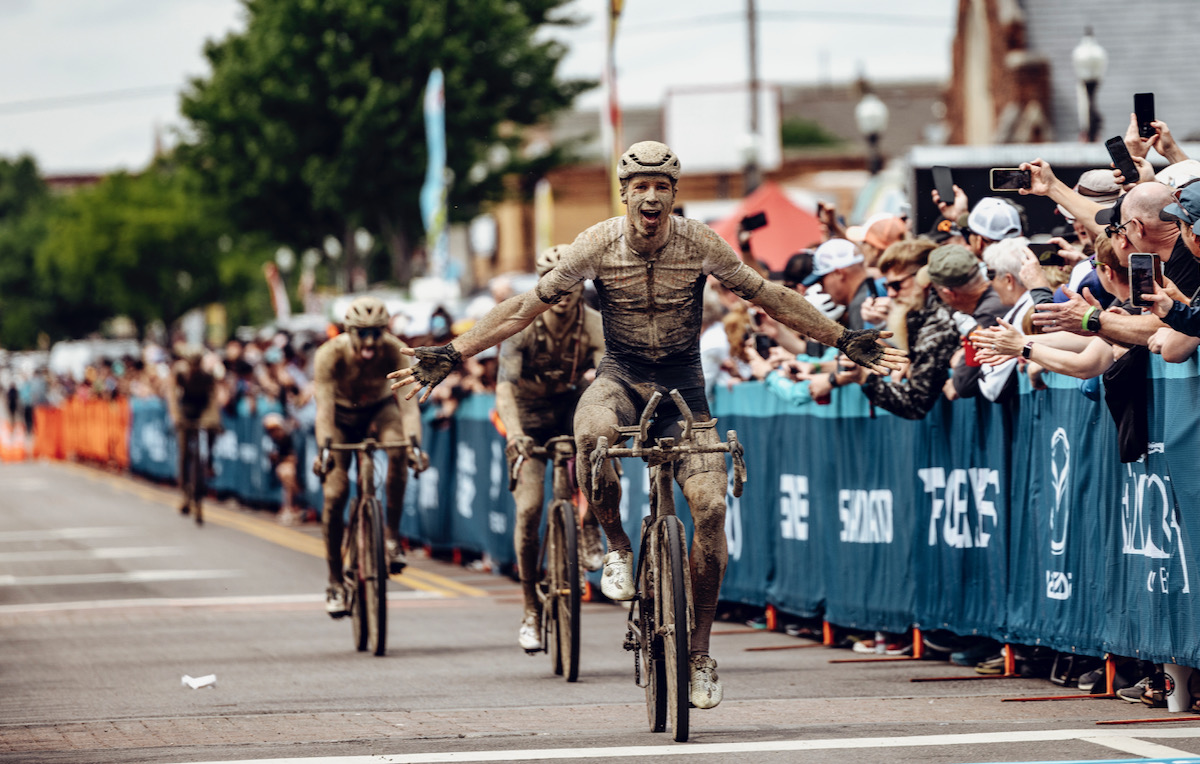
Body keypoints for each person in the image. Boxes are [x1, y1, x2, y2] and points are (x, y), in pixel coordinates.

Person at [390, 141, 906, 709]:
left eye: (662, 185)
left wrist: (842, 339)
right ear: (626, 193)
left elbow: (770, 297)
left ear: (673, 194)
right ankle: (614, 545)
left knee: (709, 509)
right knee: (591, 435)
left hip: (685, 386)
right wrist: (456, 351)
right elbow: (523, 308)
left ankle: (702, 654)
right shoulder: (596, 244)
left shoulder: (700, 243)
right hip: (622, 377)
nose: (652, 196)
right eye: (642, 186)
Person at [496, 244, 607, 653]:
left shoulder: (594, 324)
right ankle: (530, 609)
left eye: (571, 283)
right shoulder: (523, 323)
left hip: (572, 404)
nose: (562, 292)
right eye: (553, 284)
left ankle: (593, 526)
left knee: (602, 448)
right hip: (528, 411)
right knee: (528, 509)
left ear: (581, 284)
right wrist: (514, 434)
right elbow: (504, 388)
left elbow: (609, 377)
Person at [312, 296, 427, 618]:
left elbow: (408, 405)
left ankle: (391, 537)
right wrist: (324, 450)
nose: (371, 341)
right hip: (340, 416)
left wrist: (415, 445)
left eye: (377, 332)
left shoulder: (395, 349)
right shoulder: (328, 355)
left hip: (380, 410)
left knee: (399, 449)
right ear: (348, 332)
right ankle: (335, 580)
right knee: (334, 495)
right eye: (362, 333)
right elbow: (323, 410)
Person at [836, 239, 960, 419]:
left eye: (897, 285)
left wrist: (863, 378)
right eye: (887, 286)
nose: (891, 294)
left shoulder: (938, 325)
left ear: (924, 279)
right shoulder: (926, 318)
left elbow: (914, 403)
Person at [167, 344, 221, 517]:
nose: (194, 367)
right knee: (184, 453)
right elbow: (172, 394)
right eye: (192, 363)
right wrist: (175, 415)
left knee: (212, 431)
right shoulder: (179, 372)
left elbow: (213, 399)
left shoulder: (207, 376)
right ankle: (185, 493)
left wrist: (214, 420)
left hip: (202, 410)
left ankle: (209, 461)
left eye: (197, 363)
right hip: (185, 411)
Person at [262, 412, 303, 526]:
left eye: (274, 429)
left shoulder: (291, 436)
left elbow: (295, 458)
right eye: (269, 430)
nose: (272, 433)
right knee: (282, 471)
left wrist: (281, 459)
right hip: (286, 468)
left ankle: (293, 508)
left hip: (299, 471)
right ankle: (287, 507)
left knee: (285, 472)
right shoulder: (274, 441)